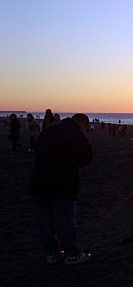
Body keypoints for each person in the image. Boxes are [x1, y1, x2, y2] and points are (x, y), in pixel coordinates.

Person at [28, 113, 93, 265]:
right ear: (83, 124)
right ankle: (73, 254)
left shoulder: (48, 130)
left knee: (45, 221)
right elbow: (85, 159)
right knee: (65, 220)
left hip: (39, 181)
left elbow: (37, 150)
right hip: (62, 183)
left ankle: (52, 253)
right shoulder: (76, 133)